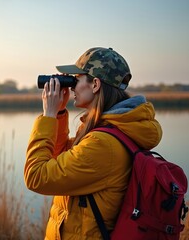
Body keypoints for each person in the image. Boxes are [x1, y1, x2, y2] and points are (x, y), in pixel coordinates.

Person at [24, 47, 162, 239]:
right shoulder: (110, 130)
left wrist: (48, 116)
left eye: (76, 79)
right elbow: (60, 158)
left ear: (95, 84)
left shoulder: (102, 144)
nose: (71, 86)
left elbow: (36, 176)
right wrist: (60, 114)